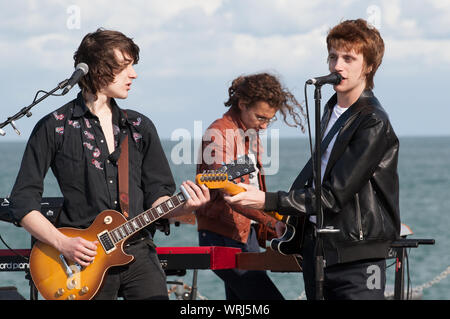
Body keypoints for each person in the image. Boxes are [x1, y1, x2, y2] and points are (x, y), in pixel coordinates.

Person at [8, 28, 209, 300]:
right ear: (98, 70)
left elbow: (157, 198)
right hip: (81, 260)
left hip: (138, 251)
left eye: (133, 67)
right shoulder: (54, 127)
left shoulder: (139, 127)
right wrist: (63, 243)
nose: (133, 75)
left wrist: (185, 206)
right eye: (125, 67)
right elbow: (23, 201)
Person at [224, 19, 400, 300]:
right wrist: (293, 219)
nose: (336, 66)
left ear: (368, 66)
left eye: (348, 58)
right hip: (320, 249)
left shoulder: (372, 121)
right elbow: (318, 175)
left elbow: (333, 195)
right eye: (332, 56)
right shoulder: (331, 111)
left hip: (357, 256)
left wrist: (268, 201)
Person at [196, 72, 306, 300]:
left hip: (245, 234)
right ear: (243, 104)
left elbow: (250, 188)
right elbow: (229, 191)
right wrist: (271, 221)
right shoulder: (219, 134)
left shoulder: (248, 132)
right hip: (223, 236)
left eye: (269, 119)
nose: (264, 125)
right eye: (261, 117)